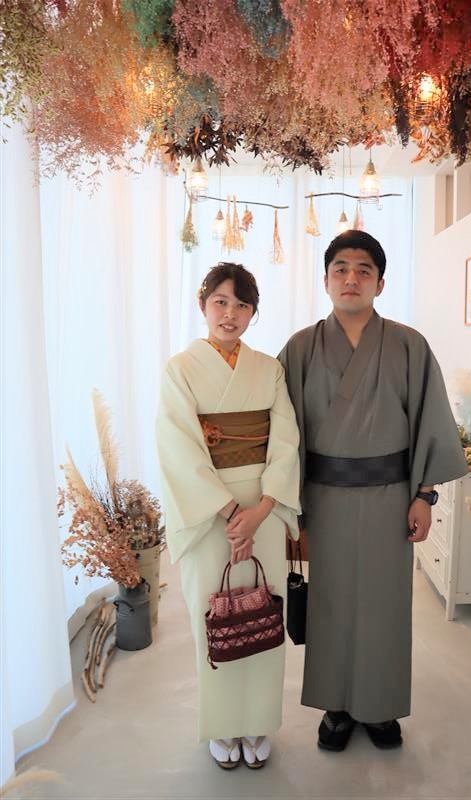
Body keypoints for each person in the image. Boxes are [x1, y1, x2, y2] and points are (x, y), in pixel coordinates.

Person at [278, 230, 467, 752]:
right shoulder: (299, 349)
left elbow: (430, 422)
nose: (351, 278)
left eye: (364, 270)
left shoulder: (409, 345)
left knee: (385, 605)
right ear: (325, 280)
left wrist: (425, 495)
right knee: (332, 603)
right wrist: (287, 506)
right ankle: (336, 708)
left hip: (390, 498)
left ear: (380, 283)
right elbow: (282, 433)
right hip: (324, 499)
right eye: (340, 268)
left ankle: (380, 707)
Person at [156, 263, 300, 770]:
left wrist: (261, 510)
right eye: (220, 301)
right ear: (203, 305)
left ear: (253, 313)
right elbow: (178, 448)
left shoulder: (269, 369)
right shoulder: (180, 369)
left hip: (263, 507)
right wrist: (233, 512)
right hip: (210, 512)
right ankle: (222, 725)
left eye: (242, 305)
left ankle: (258, 721)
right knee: (214, 615)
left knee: (263, 611)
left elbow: (286, 441)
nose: (230, 313)